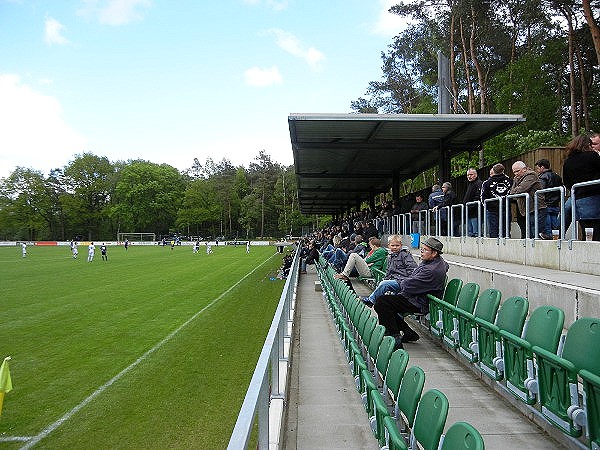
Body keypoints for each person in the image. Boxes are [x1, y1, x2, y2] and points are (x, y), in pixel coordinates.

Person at [374, 237, 449, 350]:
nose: (421, 252)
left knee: (382, 302)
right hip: (415, 297)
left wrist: (404, 280)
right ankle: (408, 332)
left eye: (425, 250)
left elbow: (407, 286)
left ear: (434, 253)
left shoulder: (430, 270)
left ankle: (395, 338)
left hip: (419, 302)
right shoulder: (436, 262)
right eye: (422, 249)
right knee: (386, 304)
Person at [562, 134, 600, 241]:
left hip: (578, 198)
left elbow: (567, 182)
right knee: (596, 230)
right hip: (594, 197)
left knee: (586, 231)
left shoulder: (568, 161)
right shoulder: (592, 156)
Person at [362, 235, 418, 307]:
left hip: (402, 281)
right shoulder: (390, 257)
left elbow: (412, 269)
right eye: (393, 245)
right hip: (395, 280)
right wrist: (386, 279)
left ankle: (371, 300)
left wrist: (408, 282)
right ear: (389, 246)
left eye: (397, 245)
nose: (395, 247)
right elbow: (388, 271)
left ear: (401, 245)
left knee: (384, 284)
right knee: (395, 304)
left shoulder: (405, 255)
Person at [509, 161, 548, 239]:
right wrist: (514, 191)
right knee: (529, 234)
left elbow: (521, 189)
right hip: (527, 209)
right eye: (514, 172)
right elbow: (511, 192)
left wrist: (515, 191)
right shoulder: (517, 178)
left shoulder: (531, 175)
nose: (516, 174)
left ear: (524, 169)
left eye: (517, 171)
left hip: (536, 208)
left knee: (536, 234)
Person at [480, 163, 512, 238]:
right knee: (506, 230)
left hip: (492, 210)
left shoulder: (487, 183)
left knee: (493, 230)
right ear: (503, 171)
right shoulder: (510, 181)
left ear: (493, 171)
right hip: (505, 208)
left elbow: (483, 197)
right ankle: (506, 245)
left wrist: (487, 207)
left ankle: (494, 246)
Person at [535, 159, 563, 236]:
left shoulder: (542, 177)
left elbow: (541, 191)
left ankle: (549, 239)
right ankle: (557, 238)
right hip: (556, 204)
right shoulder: (557, 176)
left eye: (538, 168)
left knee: (547, 226)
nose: (537, 170)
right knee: (555, 225)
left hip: (546, 204)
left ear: (542, 167)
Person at [463, 168, 483, 237]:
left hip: (475, 211)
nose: (469, 176)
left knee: (476, 232)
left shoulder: (479, 183)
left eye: (471, 174)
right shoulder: (470, 184)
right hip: (469, 211)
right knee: (470, 232)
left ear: (476, 175)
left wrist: (470, 206)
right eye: (468, 175)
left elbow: (478, 196)